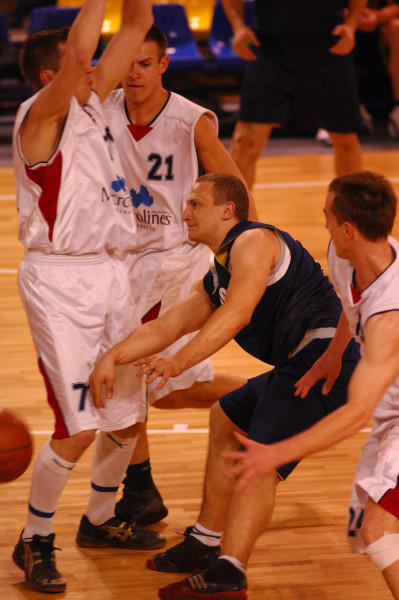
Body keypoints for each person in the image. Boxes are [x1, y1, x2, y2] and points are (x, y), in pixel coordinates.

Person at [89, 172, 360, 599]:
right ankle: (204, 541)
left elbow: (238, 313)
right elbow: (167, 325)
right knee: (228, 414)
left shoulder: (254, 242)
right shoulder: (217, 273)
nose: (185, 213)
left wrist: (179, 361)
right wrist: (111, 356)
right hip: (300, 362)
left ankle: (230, 573)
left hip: (327, 360)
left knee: (259, 457)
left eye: (196, 204)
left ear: (227, 209)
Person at [11, 1, 166, 594]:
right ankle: (35, 539)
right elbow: (82, 50)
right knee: (78, 426)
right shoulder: (39, 119)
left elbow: (135, 25)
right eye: (85, 68)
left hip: (111, 274)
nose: (100, 72)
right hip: (61, 284)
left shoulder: (90, 103)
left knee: (127, 414)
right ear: (53, 80)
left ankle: (99, 520)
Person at [102, 25, 257, 527]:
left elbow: (237, 193)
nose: (134, 73)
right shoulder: (101, 114)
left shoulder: (192, 122)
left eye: (145, 63)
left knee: (133, 377)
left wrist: (245, 254)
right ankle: (269, 396)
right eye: (127, 63)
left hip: (175, 262)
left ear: (164, 63)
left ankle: (139, 488)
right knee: (162, 391)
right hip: (122, 262)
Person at [223, 171, 399, 599]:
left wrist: (277, 452)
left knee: (376, 529)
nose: (322, 222)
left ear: (347, 228)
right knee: (371, 530)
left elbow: (356, 411)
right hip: (392, 421)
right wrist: (334, 352)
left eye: (327, 215)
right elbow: (348, 302)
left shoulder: (388, 317)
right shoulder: (351, 258)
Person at [220, 0, 366, 190]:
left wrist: (351, 25)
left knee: (345, 140)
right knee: (246, 141)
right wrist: (238, 27)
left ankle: (353, 217)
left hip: (327, 45)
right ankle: (235, 218)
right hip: (270, 46)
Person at [356, 1, 399, 137]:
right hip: (345, 23)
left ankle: (398, 109)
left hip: (381, 27)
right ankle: (338, 112)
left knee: (396, 27)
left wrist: (377, 16)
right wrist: (352, 17)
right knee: (333, 30)